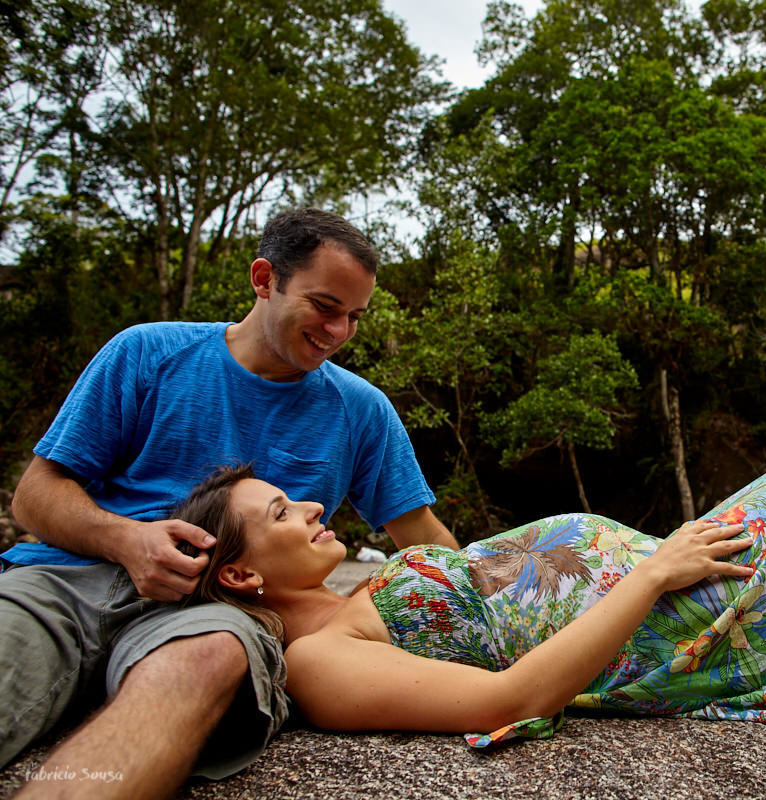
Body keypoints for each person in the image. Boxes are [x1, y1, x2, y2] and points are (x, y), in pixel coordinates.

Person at [172, 447, 766, 765]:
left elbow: (484, 578)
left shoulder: (355, 589)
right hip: (661, 620)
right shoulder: (319, 663)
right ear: (245, 576)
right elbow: (505, 697)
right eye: (278, 513)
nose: (307, 506)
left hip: (661, 579)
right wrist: (650, 575)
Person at [0, 208, 456, 800]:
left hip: (218, 612)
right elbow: (34, 498)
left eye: (354, 316)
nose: (339, 331)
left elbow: (422, 536)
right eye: (324, 306)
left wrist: (503, 611)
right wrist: (128, 541)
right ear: (264, 279)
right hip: (69, 581)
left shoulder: (361, 411)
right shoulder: (147, 353)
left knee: (210, 657)